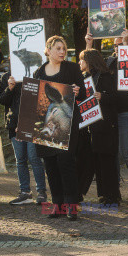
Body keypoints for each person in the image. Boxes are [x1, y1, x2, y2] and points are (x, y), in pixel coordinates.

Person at [85, 30, 128, 201]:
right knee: (112, 153)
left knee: (124, 150)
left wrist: (126, 44)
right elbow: (92, 65)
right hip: (109, 113)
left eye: (120, 44)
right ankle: (113, 190)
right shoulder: (109, 62)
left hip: (125, 111)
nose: (117, 48)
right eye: (115, 45)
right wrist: (89, 45)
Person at [33, 36, 86, 220]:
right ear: (48, 50)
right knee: (51, 165)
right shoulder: (39, 72)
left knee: (66, 162)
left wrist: (78, 91)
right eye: (58, 48)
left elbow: (84, 93)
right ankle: (57, 205)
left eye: (64, 48)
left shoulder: (72, 68)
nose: (62, 52)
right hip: (47, 126)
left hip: (68, 124)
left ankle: (72, 205)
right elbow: (33, 100)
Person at [79, 49, 121, 204]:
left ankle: (112, 195)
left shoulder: (105, 76)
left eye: (81, 60)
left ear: (89, 61)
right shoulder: (84, 77)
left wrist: (102, 96)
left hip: (105, 125)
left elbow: (117, 97)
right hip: (91, 126)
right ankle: (104, 194)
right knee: (97, 161)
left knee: (106, 161)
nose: (80, 63)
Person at [0, 72, 47, 205]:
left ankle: (41, 192)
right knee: (20, 160)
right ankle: (25, 192)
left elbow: (41, 98)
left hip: (32, 124)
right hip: (13, 124)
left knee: (34, 158)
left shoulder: (35, 73)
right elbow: (1, 100)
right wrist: (10, 88)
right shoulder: (6, 77)